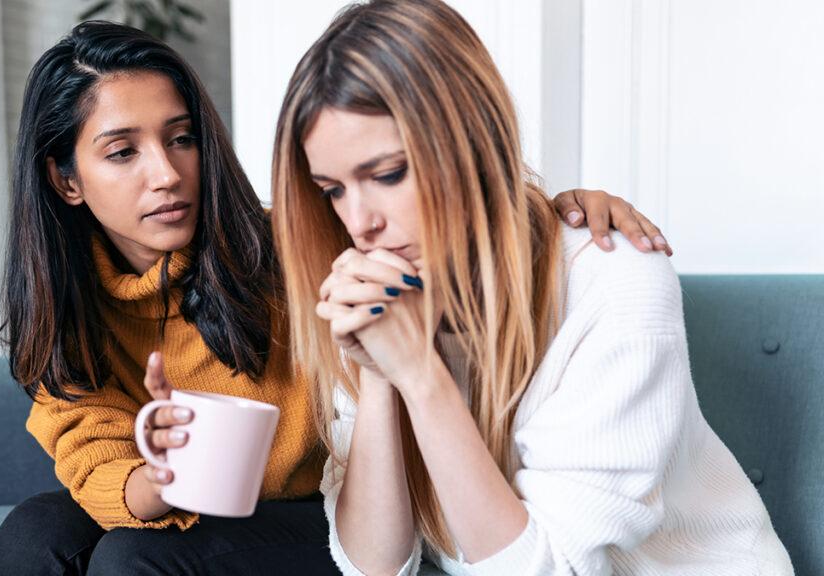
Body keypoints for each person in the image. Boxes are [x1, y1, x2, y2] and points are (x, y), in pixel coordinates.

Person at [0, 19, 669, 576]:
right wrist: (162, 475)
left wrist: (554, 212)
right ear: (66, 179)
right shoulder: (67, 313)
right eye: (122, 151)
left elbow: (452, 224)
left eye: (182, 137)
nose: (166, 173)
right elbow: (96, 464)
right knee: (33, 538)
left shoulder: (298, 251)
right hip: (199, 504)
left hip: (319, 506)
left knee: (137, 558)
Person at [272, 1, 794, 575]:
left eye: (390, 173)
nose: (359, 221)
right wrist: (380, 372)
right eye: (333, 190)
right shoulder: (384, 291)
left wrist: (421, 375)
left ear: (473, 142)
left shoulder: (615, 279)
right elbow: (373, 566)